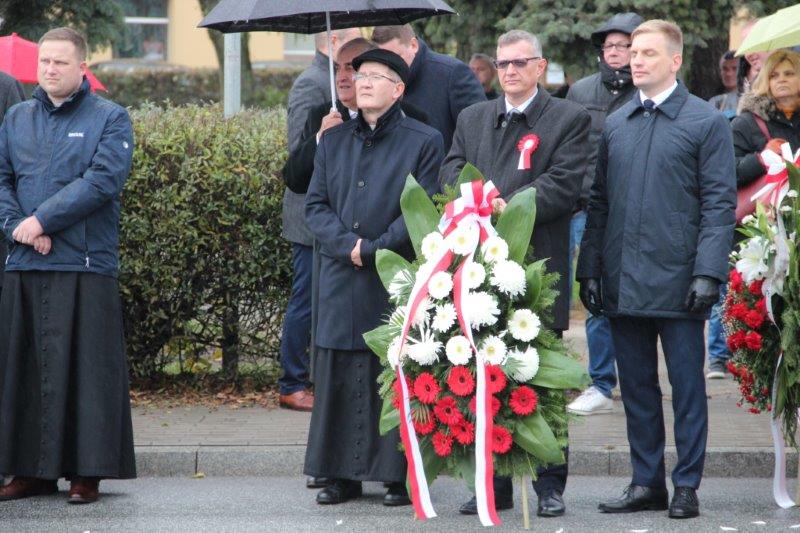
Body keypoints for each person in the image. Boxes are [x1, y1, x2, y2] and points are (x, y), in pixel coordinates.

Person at [577, 20, 736, 519]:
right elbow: (599, 203)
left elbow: (719, 203)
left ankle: (686, 484)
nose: (636, 60)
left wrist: (708, 272)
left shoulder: (704, 121)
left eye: (648, 52)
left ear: (675, 61)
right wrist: (590, 268)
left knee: (687, 389)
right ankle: (646, 482)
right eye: (633, 53)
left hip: (681, 280)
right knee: (638, 389)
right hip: (625, 277)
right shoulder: (619, 121)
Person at [440, 29, 590, 518]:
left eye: (520, 63)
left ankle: (550, 484)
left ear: (540, 67)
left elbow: (564, 183)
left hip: (538, 266)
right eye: (503, 63)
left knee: (541, 378)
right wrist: (474, 198)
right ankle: (495, 483)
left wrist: (507, 205)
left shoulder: (568, 117)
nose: (509, 71)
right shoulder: (472, 117)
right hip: (478, 267)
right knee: (486, 373)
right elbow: (451, 169)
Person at [0, 27, 136, 504]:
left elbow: (101, 181)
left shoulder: (111, 118)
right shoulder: (16, 117)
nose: (50, 69)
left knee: (86, 373)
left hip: (85, 263)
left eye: (60, 62)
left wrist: (41, 220)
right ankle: (30, 471)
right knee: (26, 370)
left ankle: (86, 473)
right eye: (45, 61)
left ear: (83, 67)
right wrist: (17, 227)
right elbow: (2, 179)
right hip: (25, 260)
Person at [303, 48, 444, 507]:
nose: (362, 82)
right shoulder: (334, 139)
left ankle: (396, 475)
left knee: (393, 368)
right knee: (340, 371)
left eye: (375, 76)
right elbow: (315, 205)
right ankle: (340, 474)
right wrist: (347, 245)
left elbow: (423, 206)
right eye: (359, 74)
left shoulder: (424, 139)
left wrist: (377, 247)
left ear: (398, 89)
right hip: (340, 272)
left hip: (394, 274)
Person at [279, 27, 362, 413]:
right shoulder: (312, 85)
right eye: (349, 37)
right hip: (309, 220)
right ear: (332, 42)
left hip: (342, 219)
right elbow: (295, 156)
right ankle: (293, 382)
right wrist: (320, 136)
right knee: (307, 301)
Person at [564, 12, 643, 416]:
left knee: (628, 296)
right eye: (609, 45)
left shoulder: (647, 91)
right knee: (590, 293)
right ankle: (598, 382)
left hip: (633, 211)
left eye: (623, 45)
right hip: (584, 209)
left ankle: (631, 381)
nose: (615, 52)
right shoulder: (580, 91)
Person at [283, 38, 430, 196]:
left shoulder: (412, 117)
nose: (341, 77)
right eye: (337, 68)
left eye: (350, 68)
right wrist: (319, 137)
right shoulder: (320, 116)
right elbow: (294, 180)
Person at [372, 24, 485, 151]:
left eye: (396, 57)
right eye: (383, 60)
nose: (390, 66)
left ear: (413, 45)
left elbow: (480, 131)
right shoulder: (378, 80)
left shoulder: (451, 73)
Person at [709, 51, 741, 120]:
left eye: (734, 68)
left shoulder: (751, 98)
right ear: (720, 72)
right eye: (725, 69)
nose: (729, 73)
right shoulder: (715, 101)